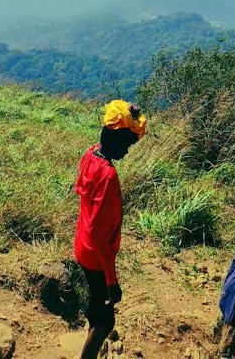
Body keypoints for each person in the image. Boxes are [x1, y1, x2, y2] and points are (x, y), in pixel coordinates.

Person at [74, 100, 146, 359]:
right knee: (106, 322)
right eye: (126, 145)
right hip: (95, 256)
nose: (126, 151)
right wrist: (111, 280)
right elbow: (100, 236)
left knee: (98, 308)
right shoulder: (108, 176)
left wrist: (128, 111)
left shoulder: (91, 153)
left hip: (81, 245)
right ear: (115, 138)